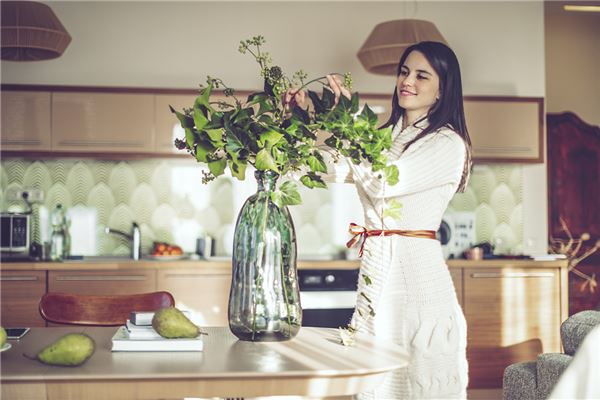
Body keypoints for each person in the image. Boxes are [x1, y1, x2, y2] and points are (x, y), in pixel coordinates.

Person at [288, 41, 472, 399]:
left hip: (419, 286)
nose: (407, 81)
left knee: (419, 386)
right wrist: (298, 119)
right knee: (374, 386)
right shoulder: (384, 138)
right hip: (377, 281)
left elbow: (383, 181)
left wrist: (352, 120)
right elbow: (318, 167)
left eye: (421, 75)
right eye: (404, 72)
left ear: (442, 89)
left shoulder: (448, 143)